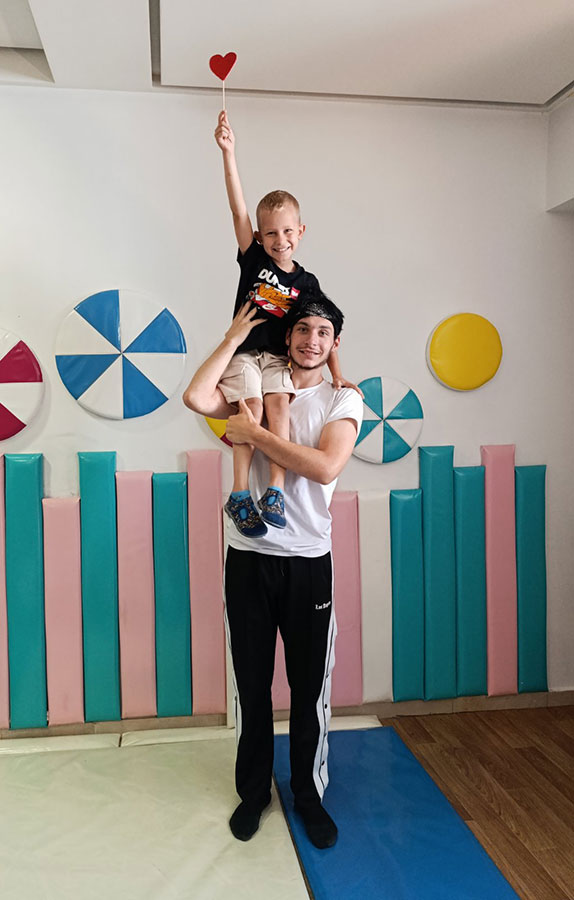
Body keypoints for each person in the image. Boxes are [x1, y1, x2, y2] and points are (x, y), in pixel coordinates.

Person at [183, 292, 363, 849]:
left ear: (334, 344)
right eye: (303, 329)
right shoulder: (253, 387)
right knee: (252, 685)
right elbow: (196, 396)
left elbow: (325, 466)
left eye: (323, 333)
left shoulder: (343, 399)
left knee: (309, 689)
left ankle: (308, 796)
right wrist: (234, 337)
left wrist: (254, 434)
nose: (312, 340)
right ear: (287, 336)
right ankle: (254, 792)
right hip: (248, 557)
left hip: (307, 561)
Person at [214, 110, 355, 539]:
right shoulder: (253, 258)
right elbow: (238, 209)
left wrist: (337, 375)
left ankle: (274, 491)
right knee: (251, 411)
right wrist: (228, 153)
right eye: (271, 233)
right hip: (245, 354)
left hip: (277, 357)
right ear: (260, 236)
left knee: (280, 410)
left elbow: (326, 329)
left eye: (288, 232)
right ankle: (240, 493)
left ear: (301, 231)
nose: (281, 240)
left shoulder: (306, 282)